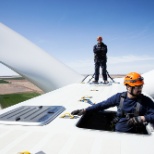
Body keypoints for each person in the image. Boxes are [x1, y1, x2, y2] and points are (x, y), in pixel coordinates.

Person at [71, 72, 154, 133]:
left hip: (136, 135)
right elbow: (102, 105)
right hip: (118, 132)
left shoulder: (145, 101)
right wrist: (85, 110)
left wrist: (143, 118)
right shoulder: (119, 97)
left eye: (141, 86)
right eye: (137, 87)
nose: (140, 89)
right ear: (128, 87)